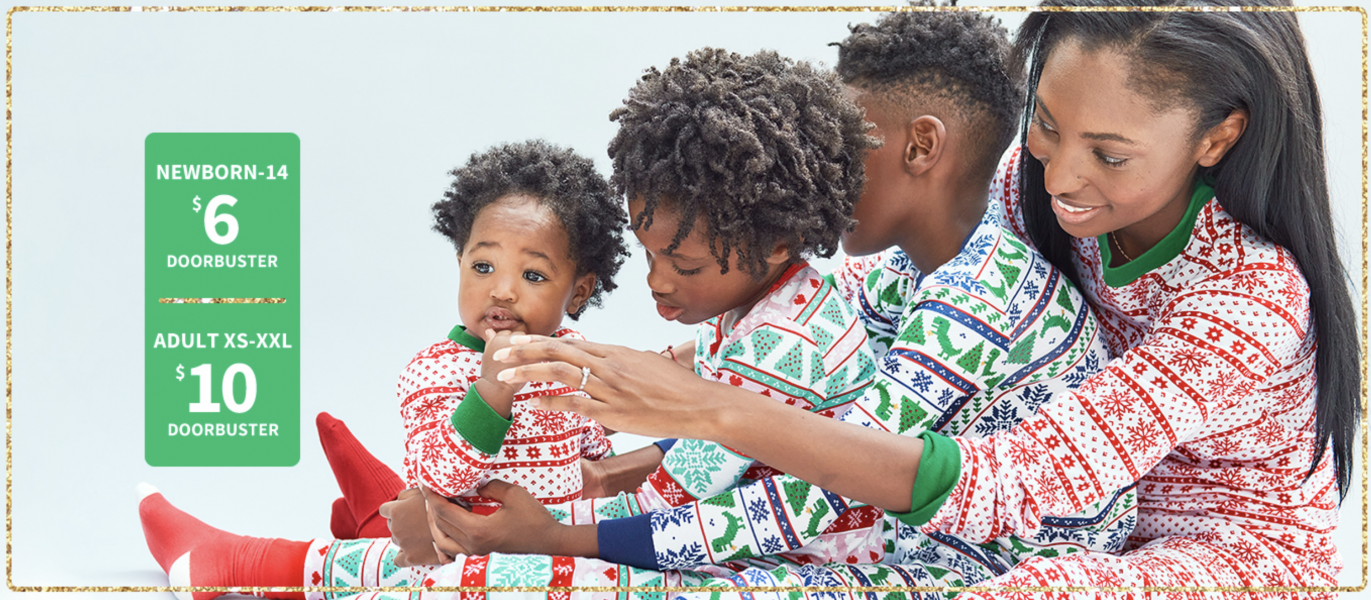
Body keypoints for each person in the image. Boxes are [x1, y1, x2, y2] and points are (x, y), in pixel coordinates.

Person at [492, 1, 1359, 597]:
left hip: (1212, 558)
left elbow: (1013, 477)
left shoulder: (1249, 300)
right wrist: (695, 370)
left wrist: (708, 409)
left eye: (1109, 154)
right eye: (1045, 124)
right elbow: (861, 312)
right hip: (1053, 519)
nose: (1060, 175)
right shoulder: (1029, 188)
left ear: (1217, 136)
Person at [419, 9, 1139, 596]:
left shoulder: (979, 297)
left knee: (557, 580)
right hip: (888, 526)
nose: (822, 172)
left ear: (921, 147)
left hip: (986, 566)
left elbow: (809, 497)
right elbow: (769, 400)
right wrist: (602, 473)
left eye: (846, 145)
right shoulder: (905, 270)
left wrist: (562, 536)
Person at [136, 139, 631, 597]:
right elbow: (437, 476)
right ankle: (228, 559)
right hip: (454, 553)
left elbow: (593, 460)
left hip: (555, 549)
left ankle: (363, 516)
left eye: (533, 275)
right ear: (460, 262)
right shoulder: (436, 369)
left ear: (579, 292)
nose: (502, 290)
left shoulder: (572, 356)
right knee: (380, 570)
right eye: (483, 267)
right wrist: (490, 392)